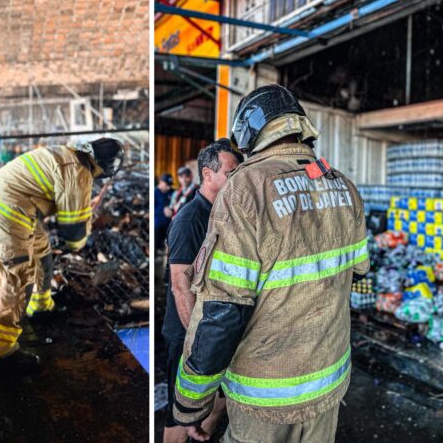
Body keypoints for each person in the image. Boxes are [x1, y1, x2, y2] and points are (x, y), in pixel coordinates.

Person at [173, 85, 370, 443]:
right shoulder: (344, 186)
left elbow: (222, 313)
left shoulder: (246, 188)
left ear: (249, 134)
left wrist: (190, 403)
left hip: (264, 397)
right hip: (328, 384)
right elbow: (357, 272)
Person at [0, 138, 124, 362]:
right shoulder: (79, 172)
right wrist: (75, 245)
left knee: (43, 254)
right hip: (9, 212)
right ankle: (1, 350)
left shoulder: (72, 156)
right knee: (17, 277)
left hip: (23, 208)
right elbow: (74, 229)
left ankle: (41, 305)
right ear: (106, 166)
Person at [163, 138, 242, 443]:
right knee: (181, 413)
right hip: (189, 333)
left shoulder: (223, 215)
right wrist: (197, 344)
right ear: (208, 174)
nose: (236, 180)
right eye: (230, 173)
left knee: (217, 400)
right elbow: (181, 288)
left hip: (215, 330)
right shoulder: (189, 220)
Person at [155, 173, 173, 250]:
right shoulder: (154, 193)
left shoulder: (172, 192)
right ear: (161, 182)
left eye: (170, 185)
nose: (169, 187)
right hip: (157, 226)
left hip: (169, 226)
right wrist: (163, 210)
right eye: (167, 185)